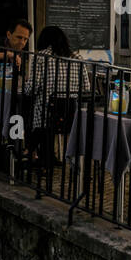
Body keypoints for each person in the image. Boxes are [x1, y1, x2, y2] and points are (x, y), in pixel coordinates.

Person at [24, 26, 89, 164]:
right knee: (47, 119)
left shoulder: (41, 57)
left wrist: (24, 87)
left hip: (46, 112)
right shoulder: (77, 57)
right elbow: (86, 88)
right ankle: (45, 155)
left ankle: (29, 149)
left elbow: (33, 88)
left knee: (28, 112)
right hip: (70, 112)